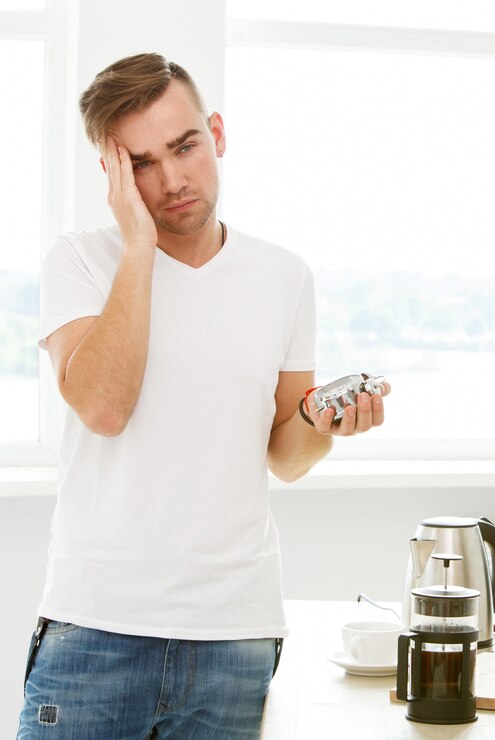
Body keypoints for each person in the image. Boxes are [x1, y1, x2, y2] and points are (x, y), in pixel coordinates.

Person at [17, 52, 389, 740]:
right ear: (113, 174)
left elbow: (285, 455)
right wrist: (138, 247)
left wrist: (322, 424)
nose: (173, 179)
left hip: (235, 638)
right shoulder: (80, 262)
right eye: (142, 164)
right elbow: (103, 406)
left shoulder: (284, 276)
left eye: (185, 146)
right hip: (97, 631)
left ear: (216, 133)